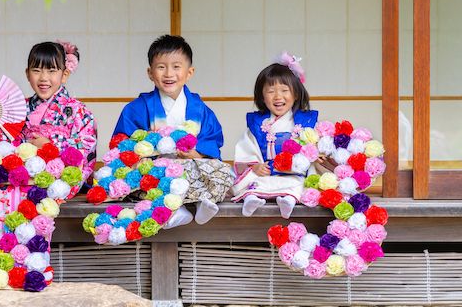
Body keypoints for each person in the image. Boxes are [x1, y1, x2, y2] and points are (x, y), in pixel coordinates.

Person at [0, 40, 97, 247]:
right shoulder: (22, 107)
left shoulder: (79, 111)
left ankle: (33, 259)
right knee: (4, 193)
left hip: (55, 175)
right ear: (27, 74)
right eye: (37, 70)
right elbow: (9, 146)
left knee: (37, 199)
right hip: (23, 174)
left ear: (64, 74)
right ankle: (7, 252)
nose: (44, 78)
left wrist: (50, 145)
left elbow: (86, 148)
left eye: (52, 71)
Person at [112, 35, 235, 228]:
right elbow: (123, 143)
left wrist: (196, 154)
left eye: (176, 67)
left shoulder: (200, 109)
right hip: (156, 172)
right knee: (138, 177)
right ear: (150, 73)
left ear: (189, 72)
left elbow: (212, 138)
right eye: (161, 67)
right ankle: (178, 208)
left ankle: (199, 203)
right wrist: (140, 158)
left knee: (225, 172)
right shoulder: (136, 108)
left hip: (190, 168)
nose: (169, 73)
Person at [230, 51, 321, 219]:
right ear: (262, 97)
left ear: (296, 94)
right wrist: (255, 166)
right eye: (271, 91)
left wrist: (317, 154)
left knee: (298, 186)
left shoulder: (307, 123)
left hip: (294, 173)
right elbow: (247, 148)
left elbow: (315, 147)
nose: (278, 96)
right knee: (256, 184)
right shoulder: (258, 124)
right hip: (267, 171)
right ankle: (251, 200)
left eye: (284, 90)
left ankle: (288, 202)